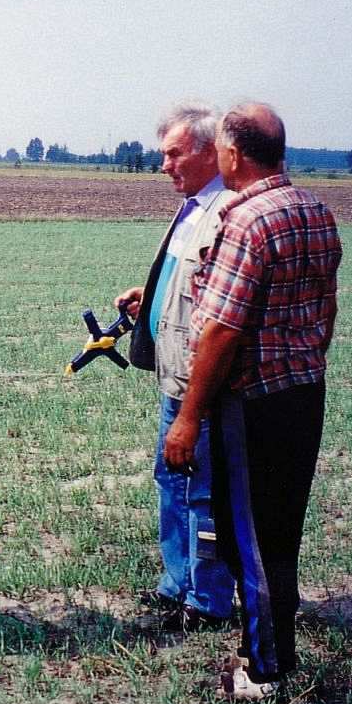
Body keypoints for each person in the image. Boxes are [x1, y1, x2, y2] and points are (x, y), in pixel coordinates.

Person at [164, 102, 341, 701]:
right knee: (280, 533)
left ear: (233, 155)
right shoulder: (316, 212)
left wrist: (189, 416)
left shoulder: (246, 223)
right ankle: (269, 648)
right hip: (303, 392)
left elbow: (220, 329)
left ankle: (264, 669)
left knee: (250, 542)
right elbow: (326, 309)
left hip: (251, 403)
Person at [117, 103, 237, 632]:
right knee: (171, 478)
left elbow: (225, 312)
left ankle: (207, 603)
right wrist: (155, 297)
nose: (163, 165)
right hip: (175, 374)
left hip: (202, 383)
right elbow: (196, 285)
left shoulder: (227, 211)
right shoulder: (193, 207)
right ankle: (177, 584)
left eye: (173, 153)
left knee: (202, 489)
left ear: (210, 152)